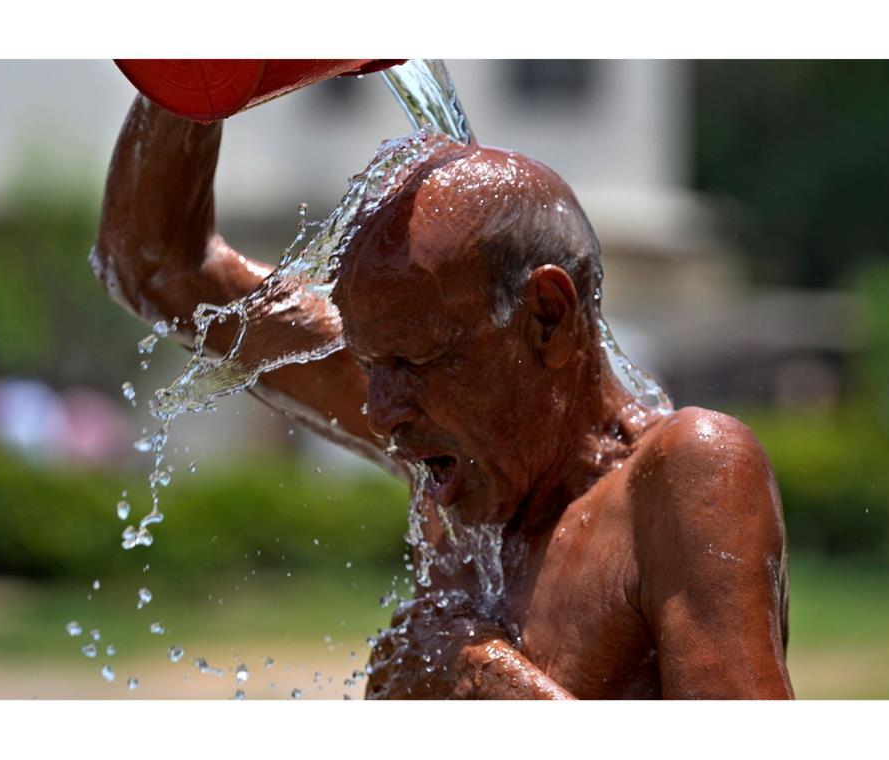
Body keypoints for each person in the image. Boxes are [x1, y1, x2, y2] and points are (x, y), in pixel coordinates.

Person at [93, 94, 794, 699]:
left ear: (547, 316)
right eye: (371, 362)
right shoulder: (451, 443)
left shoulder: (681, 477)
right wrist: (200, 69)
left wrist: (476, 678)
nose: (379, 410)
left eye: (414, 362)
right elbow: (159, 267)